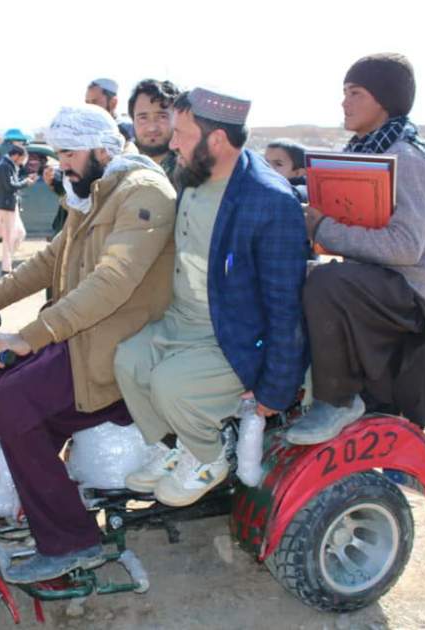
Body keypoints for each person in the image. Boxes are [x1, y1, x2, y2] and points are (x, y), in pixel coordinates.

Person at [0, 104, 176, 583]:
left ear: (102, 149)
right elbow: (47, 262)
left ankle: (73, 542)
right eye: (58, 153)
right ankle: (43, 501)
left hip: (118, 345)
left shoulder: (142, 194)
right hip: (85, 336)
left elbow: (113, 281)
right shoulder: (92, 195)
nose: (59, 164)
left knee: (12, 402)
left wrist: (27, 337)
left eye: (68, 153)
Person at [115, 88, 308, 506]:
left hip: (234, 337)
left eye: (182, 133)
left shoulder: (270, 203)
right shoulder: (191, 177)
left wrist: (274, 392)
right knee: (128, 360)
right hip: (181, 321)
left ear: (216, 140)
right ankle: (174, 449)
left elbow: (284, 308)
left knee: (170, 386)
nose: (172, 142)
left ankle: (209, 457)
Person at [286, 53, 425, 444]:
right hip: (368, 284)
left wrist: (324, 227)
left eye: (355, 92)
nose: (344, 102)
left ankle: (338, 400)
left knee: (326, 281)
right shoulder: (365, 151)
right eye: (344, 92)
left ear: (383, 98)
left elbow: (406, 247)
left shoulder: (406, 158)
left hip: (404, 293)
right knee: (294, 279)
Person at [0, 144, 37, 275]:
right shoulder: (5, 166)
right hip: (6, 207)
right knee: (9, 238)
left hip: (9, 206)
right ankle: (6, 269)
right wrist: (26, 183)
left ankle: (7, 266)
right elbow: (10, 185)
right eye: (22, 159)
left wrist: (25, 179)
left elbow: (12, 182)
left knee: (18, 234)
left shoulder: (8, 165)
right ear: (16, 156)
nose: (23, 163)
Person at [127, 79, 181, 181]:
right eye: (143, 118)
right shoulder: (120, 166)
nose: (152, 128)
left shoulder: (191, 170)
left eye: (162, 117)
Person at [85, 78, 137, 146]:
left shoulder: (127, 129)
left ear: (113, 103)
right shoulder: (85, 130)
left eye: (95, 102)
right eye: (87, 103)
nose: (89, 107)